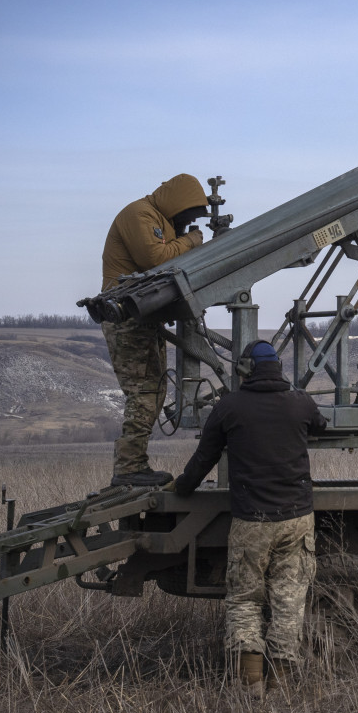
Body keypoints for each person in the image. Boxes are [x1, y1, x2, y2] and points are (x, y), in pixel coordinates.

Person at [173, 340, 328, 693]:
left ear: (245, 370)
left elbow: (203, 459)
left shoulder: (230, 407)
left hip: (252, 523)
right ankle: (281, 686)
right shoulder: (300, 403)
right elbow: (320, 426)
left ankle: (252, 685)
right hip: (297, 519)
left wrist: (183, 487)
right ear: (277, 368)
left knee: (244, 600)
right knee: (290, 600)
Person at [101, 173, 210, 486]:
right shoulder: (140, 214)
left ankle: (134, 465)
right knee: (143, 392)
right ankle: (128, 469)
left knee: (155, 390)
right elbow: (155, 259)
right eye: (185, 215)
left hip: (141, 319)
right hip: (125, 317)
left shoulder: (155, 218)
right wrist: (191, 241)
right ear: (175, 204)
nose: (185, 222)